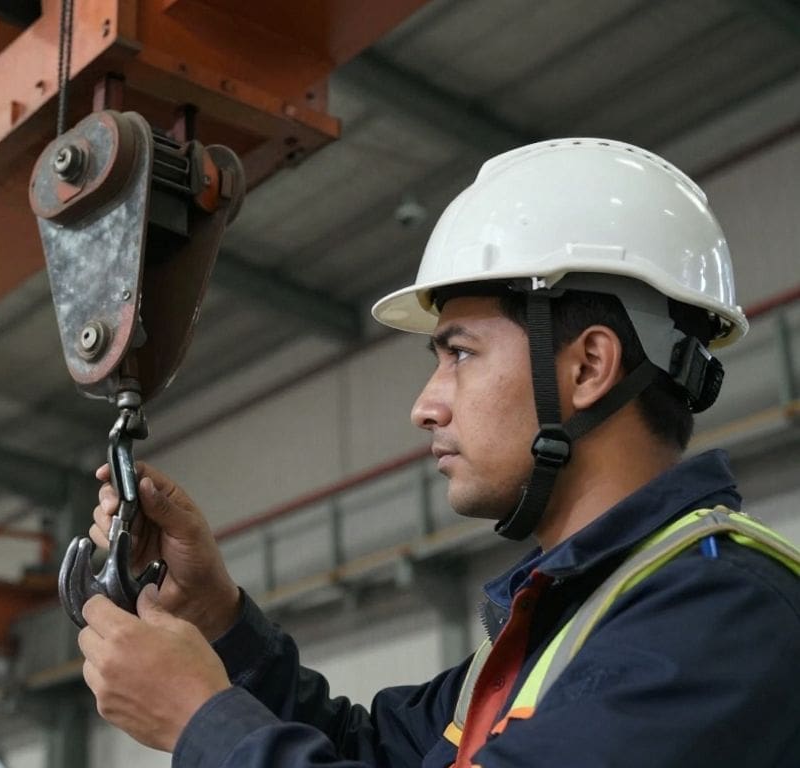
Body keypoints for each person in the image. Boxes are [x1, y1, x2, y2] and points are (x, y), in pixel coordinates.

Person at [75, 139, 800, 767]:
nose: (426, 404)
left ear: (587, 367)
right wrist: (217, 618)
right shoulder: (561, 626)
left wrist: (202, 722)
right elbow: (367, 751)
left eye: (460, 354)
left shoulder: (721, 617)